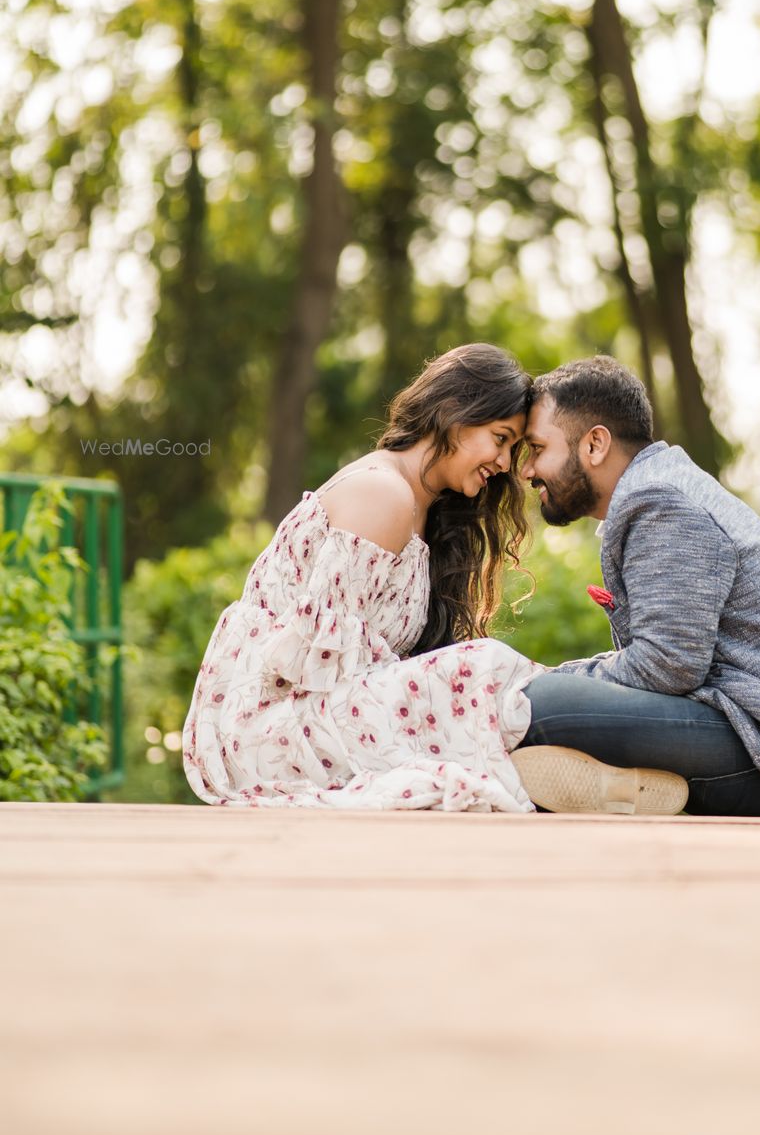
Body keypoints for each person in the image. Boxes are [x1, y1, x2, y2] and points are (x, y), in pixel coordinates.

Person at [511, 356, 760, 819]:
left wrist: (553, 679)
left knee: (541, 704)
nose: (527, 470)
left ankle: (627, 785)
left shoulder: (660, 500)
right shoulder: (660, 489)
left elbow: (666, 668)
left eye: (537, 448)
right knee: (542, 695)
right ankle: (629, 784)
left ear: (595, 443)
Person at [183, 344, 544, 812]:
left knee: (469, 686)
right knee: (478, 669)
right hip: (272, 730)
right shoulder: (383, 494)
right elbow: (319, 676)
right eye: (501, 439)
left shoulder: (421, 508)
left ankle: (584, 758)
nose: (503, 463)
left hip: (318, 716)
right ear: (457, 414)